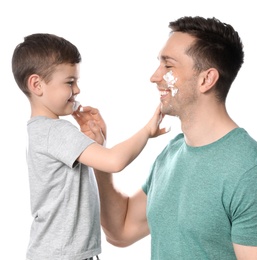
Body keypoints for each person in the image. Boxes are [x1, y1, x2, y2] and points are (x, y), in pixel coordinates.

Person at [77, 16, 257, 259]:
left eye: (168, 66)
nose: (154, 76)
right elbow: (121, 230)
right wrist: (99, 155)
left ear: (206, 79)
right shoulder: (172, 154)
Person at [12, 33, 168, 260]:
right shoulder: (56, 131)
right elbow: (114, 161)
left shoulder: (41, 131)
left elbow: (101, 161)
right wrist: (147, 131)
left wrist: (98, 144)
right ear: (36, 84)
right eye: (69, 82)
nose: (77, 90)